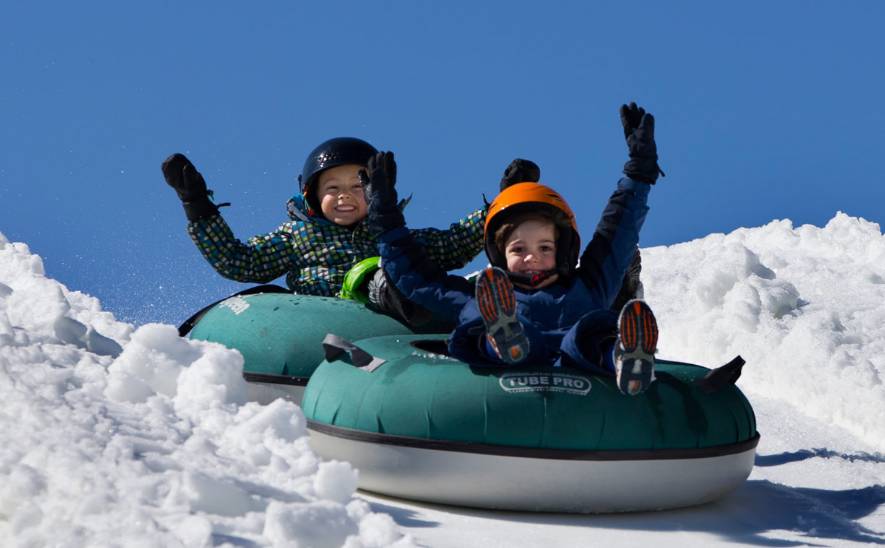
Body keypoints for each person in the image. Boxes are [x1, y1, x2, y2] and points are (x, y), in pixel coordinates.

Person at [364, 103, 663, 395]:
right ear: (500, 254)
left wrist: (638, 174)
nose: (532, 257)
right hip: (505, 369)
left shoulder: (588, 285)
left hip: (577, 362)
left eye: (545, 247)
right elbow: (418, 278)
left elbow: (617, 233)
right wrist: (385, 218)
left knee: (589, 335)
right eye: (519, 249)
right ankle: (503, 338)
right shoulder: (479, 295)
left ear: (563, 250)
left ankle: (624, 358)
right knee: (483, 327)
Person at [161, 137, 538, 328]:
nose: (345, 196)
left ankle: (492, 316)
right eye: (332, 188)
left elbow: (455, 243)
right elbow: (238, 261)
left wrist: (504, 203)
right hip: (325, 320)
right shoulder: (298, 237)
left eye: (358, 187)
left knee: (422, 273)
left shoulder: (395, 235)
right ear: (311, 195)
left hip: (397, 327)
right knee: (378, 275)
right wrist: (197, 204)